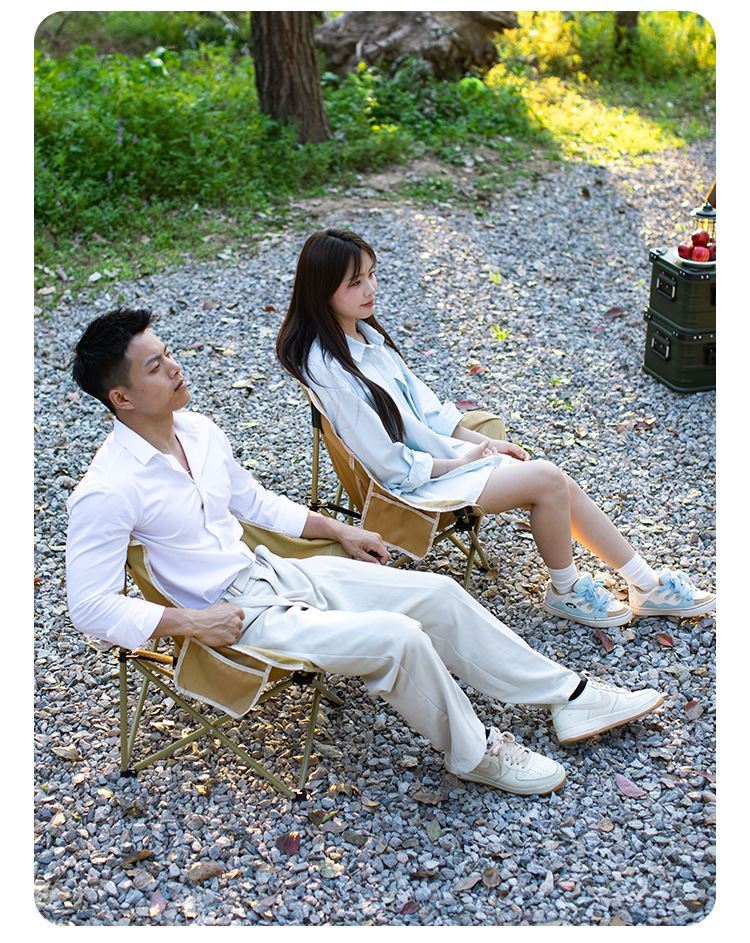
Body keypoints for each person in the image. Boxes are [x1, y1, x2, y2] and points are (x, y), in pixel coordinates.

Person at [65, 307, 664, 798]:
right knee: (396, 639)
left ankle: (570, 697)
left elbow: (253, 502)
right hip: (236, 617)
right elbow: (90, 607)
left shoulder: (197, 431)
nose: (175, 368)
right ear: (121, 397)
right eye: (155, 366)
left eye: (169, 353)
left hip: (276, 571)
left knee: (439, 593)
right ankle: (476, 752)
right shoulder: (107, 489)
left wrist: (340, 530)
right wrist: (194, 623)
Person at [276, 228, 716, 630]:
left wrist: (485, 443)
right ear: (321, 290)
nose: (371, 289)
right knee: (547, 480)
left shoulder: (364, 337)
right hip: (415, 486)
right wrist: (460, 462)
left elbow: (430, 411)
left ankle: (645, 584)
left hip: (439, 462)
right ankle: (566, 591)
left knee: (554, 480)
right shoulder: (330, 368)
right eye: (355, 283)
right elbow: (391, 467)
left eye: (372, 274)